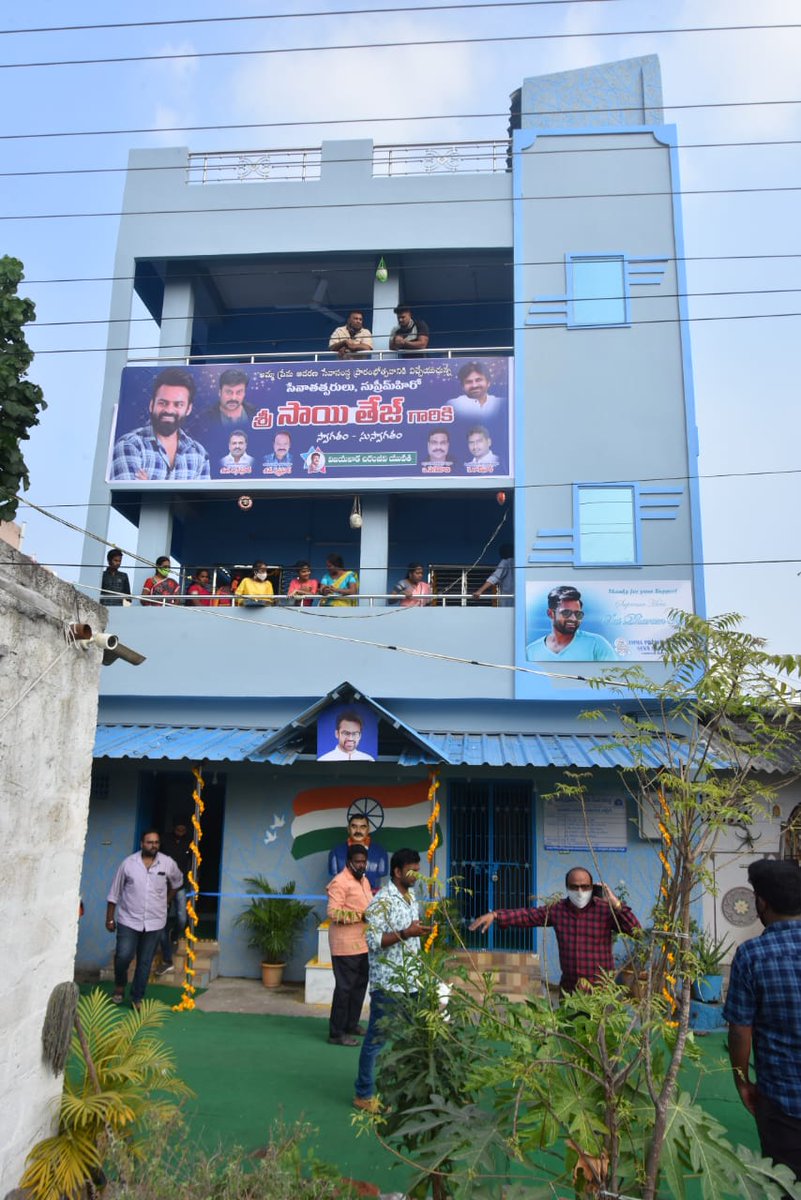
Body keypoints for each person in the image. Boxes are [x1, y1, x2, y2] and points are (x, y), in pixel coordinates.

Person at [723, 858, 801, 1187]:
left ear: (761, 902)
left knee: (786, 1184)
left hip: (782, 1101)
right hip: (781, 1098)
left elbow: (740, 1030)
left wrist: (742, 1081)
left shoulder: (752, 955)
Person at [470, 866, 639, 994]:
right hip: (570, 992)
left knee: (601, 1039)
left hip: (601, 993)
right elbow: (528, 916)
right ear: (567, 888)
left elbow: (635, 931)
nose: (580, 892)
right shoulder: (558, 910)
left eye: (585, 886)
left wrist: (616, 904)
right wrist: (496, 915)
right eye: (574, 887)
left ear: (591, 887)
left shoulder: (605, 910)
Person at [353, 849, 430, 1111]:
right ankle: (363, 1094)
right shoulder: (380, 902)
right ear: (397, 872)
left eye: (418, 871)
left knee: (414, 1037)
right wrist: (406, 933)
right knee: (376, 1041)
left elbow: (412, 927)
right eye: (411, 870)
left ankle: (410, 1088)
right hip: (388, 984)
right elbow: (374, 942)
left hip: (411, 981)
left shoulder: (411, 897)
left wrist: (418, 930)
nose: (416, 875)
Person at [105, 830, 183, 1008]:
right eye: (149, 842)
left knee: (145, 961)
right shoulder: (128, 863)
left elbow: (177, 883)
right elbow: (114, 892)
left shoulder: (167, 863)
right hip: (128, 920)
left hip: (155, 921)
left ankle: (136, 998)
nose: (153, 845)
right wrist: (110, 918)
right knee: (123, 956)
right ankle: (119, 985)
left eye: (156, 842)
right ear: (141, 844)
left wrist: (167, 900)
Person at [110, 366, 210, 480]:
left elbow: (203, 498)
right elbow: (127, 497)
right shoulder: (130, 445)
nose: (169, 410)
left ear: (188, 409)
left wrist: (148, 487)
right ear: (152, 405)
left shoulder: (199, 454)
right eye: (163, 403)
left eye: (178, 405)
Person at [326, 845, 373, 1045]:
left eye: (364, 861)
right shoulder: (340, 882)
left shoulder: (364, 880)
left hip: (363, 943)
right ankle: (336, 1033)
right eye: (358, 861)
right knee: (345, 989)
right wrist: (359, 916)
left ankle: (351, 1024)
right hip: (345, 945)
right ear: (348, 862)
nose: (361, 865)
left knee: (359, 986)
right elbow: (333, 913)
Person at [526, 585, 616, 662]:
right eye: (566, 613)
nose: (573, 619)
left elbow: (614, 678)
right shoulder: (531, 652)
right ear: (551, 614)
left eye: (578, 614)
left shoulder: (597, 644)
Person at [156, 817, 194, 976]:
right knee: (161, 917)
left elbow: (193, 861)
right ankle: (166, 956)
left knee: (182, 918)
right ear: (174, 827)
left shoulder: (190, 842)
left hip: (180, 884)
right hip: (162, 883)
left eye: (183, 828)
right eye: (178, 827)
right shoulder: (164, 839)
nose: (181, 829)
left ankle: (175, 933)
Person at [329, 813, 389, 894]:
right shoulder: (335, 853)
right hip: (344, 902)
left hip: (372, 901)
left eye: (362, 827)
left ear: (368, 829)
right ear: (348, 829)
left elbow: (382, 876)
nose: (358, 831)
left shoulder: (381, 852)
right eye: (354, 826)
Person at [194, 368, 254, 440]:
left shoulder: (254, 413)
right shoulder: (204, 419)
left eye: (239, 392)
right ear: (220, 392)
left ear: (244, 393)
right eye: (228, 392)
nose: (233, 398)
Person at [473, 544, 514, 608]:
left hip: (508, 602)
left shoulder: (506, 562)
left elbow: (495, 577)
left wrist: (480, 591)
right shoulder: (520, 562)